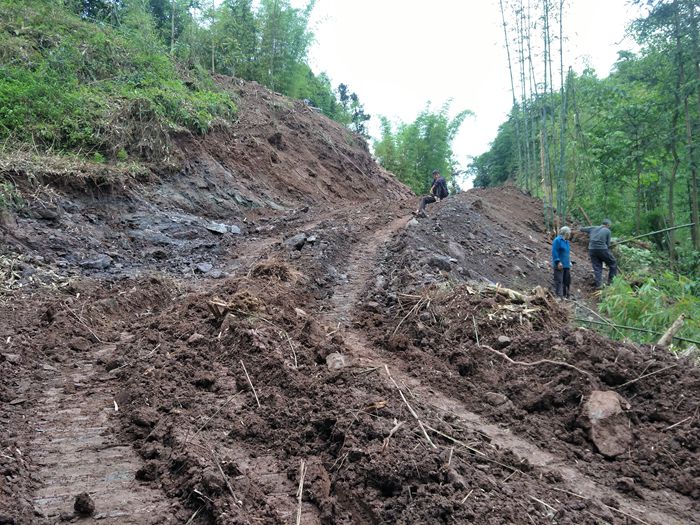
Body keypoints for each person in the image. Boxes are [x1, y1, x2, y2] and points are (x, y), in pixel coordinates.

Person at [579, 219, 618, 289]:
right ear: (608, 225)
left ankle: (599, 285)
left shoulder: (593, 228)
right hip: (602, 249)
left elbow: (582, 229)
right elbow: (608, 244)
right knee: (613, 263)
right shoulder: (607, 231)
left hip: (591, 249)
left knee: (597, 267)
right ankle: (611, 283)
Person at [551, 226, 571, 298]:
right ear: (566, 233)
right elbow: (554, 251)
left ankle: (565, 296)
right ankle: (559, 296)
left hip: (566, 265)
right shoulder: (557, 240)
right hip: (559, 264)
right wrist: (558, 261)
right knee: (559, 280)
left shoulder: (567, 241)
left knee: (567, 281)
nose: (570, 235)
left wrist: (569, 262)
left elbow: (566, 253)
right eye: (569, 233)